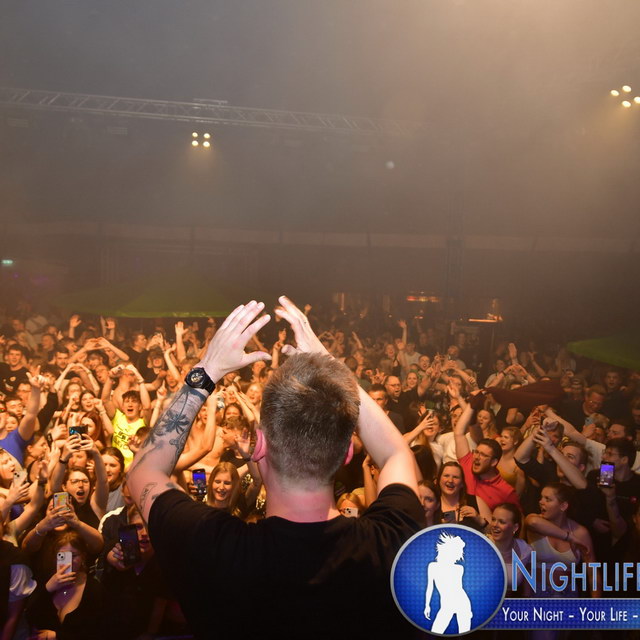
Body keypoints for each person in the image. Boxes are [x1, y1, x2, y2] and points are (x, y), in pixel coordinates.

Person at [127, 297, 423, 639]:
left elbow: (143, 473)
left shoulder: (213, 547)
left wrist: (205, 372)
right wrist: (332, 369)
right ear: (347, 454)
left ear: (259, 446)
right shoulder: (391, 543)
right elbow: (396, 453)